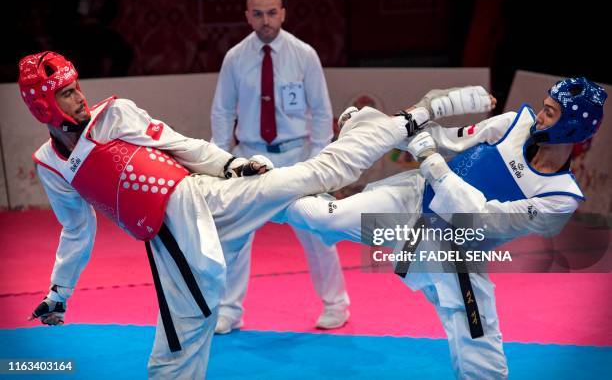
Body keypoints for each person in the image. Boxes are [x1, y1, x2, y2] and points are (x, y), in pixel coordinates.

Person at [18, 51, 414, 378]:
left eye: (75, 88)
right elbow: (75, 229)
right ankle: (408, 211)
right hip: (168, 239)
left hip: (206, 197)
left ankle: (404, 126)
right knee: (180, 340)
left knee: (313, 194)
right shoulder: (51, 166)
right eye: (66, 95)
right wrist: (60, 291)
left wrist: (231, 166)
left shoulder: (114, 115)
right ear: (42, 106)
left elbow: (181, 146)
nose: (79, 99)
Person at [277, 79, 607, 379]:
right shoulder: (514, 124)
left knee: (482, 359)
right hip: (412, 201)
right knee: (324, 217)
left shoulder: (558, 198)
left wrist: (433, 163)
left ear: (571, 128)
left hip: (456, 252)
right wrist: (377, 126)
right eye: (543, 107)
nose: (538, 116)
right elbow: (449, 140)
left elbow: (480, 217)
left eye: (550, 113)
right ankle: (259, 191)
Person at [210, 0, 349, 333]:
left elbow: (321, 112)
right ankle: (229, 310)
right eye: (258, 14)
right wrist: (219, 161)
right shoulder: (235, 58)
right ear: (247, 17)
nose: (266, 20)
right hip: (248, 158)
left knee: (318, 231)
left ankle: (336, 304)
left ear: (283, 13)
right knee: (233, 236)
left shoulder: (304, 54)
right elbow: (223, 112)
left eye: (272, 13)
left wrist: (320, 161)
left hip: (298, 155)